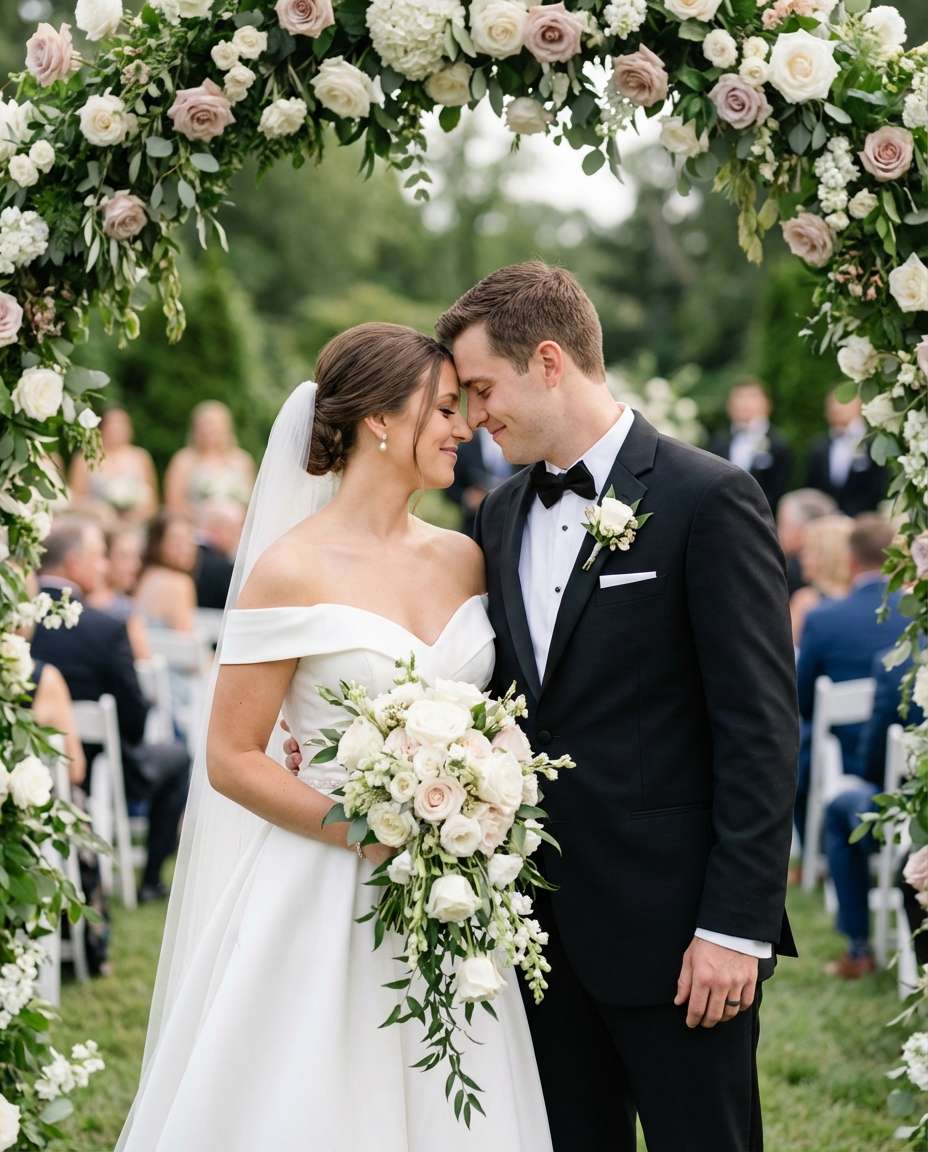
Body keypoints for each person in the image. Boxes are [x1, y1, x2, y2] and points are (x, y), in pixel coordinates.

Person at [115, 325, 553, 1152]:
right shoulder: (289, 568)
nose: (464, 428)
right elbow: (232, 756)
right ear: (380, 420)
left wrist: (478, 796)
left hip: (453, 887)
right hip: (323, 883)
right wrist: (369, 832)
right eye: (446, 409)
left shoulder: (468, 557)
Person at [429, 262, 797, 1152]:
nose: (475, 417)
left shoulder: (707, 498)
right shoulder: (499, 515)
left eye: (482, 389)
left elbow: (760, 729)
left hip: (680, 940)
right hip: (537, 942)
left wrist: (734, 928)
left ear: (548, 361)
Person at [30, 517, 190, 905]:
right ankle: (151, 878)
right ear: (74, 564)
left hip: (31, 766)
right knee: (179, 758)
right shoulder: (105, 628)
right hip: (102, 765)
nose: (104, 568)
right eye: (100, 557)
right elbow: (133, 715)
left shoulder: (18, 622)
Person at [794, 515, 909, 857]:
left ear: (851, 560)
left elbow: (802, 698)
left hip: (845, 755)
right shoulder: (916, 616)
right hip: (908, 751)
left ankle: (814, 853)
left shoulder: (824, 618)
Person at [823, 647, 924, 978]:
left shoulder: (903, 665)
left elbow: (876, 759)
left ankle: (859, 949)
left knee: (839, 810)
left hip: (912, 816)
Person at [708, 378, 791, 513]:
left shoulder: (778, 444)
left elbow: (780, 489)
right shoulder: (718, 442)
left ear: (767, 404)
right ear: (729, 406)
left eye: (752, 397)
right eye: (739, 397)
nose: (744, 403)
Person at [163, 400, 255, 518]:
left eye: (215, 423)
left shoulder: (243, 460)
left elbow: (252, 503)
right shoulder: (183, 460)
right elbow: (173, 505)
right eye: (206, 423)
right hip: (195, 529)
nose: (210, 428)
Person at [68, 406, 158, 523]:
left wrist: (136, 515)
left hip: (134, 524)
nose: (117, 429)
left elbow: (152, 503)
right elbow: (75, 501)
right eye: (112, 424)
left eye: (122, 424)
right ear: (101, 428)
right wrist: (97, 510)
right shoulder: (84, 458)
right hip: (96, 523)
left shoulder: (141, 457)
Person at [806, 391, 888, 516]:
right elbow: (812, 487)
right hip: (825, 522)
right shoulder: (818, 448)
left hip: (863, 521)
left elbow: (878, 486)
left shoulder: (873, 444)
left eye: (842, 403)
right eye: (832, 405)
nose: (836, 409)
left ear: (858, 406)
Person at [789, 513, 854, 648]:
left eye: (808, 549)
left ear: (826, 555)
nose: (802, 557)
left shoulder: (806, 601)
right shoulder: (862, 595)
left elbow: (791, 653)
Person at [86, 525, 151, 660]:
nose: (135, 565)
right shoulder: (124, 609)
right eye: (124, 556)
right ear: (103, 558)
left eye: (136, 557)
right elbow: (145, 662)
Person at [135, 511, 199, 634]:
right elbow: (186, 640)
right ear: (158, 544)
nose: (186, 548)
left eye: (190, 539)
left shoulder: (148, 574)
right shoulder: (179, 583)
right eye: (177, 540)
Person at [447, 426, 516, 537]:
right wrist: (467, 497)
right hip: (475, 527)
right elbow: (451, 487)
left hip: (512, 525)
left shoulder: (521, 441)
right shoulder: (464, 445)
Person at [777, 487, 839, 598]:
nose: (778, 531)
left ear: (803, 528)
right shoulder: (840, 567)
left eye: (783, 524)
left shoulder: (788, 572)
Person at [194, 499, 244, 610]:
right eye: (235, 530)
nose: (240, 537)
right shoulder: (224, 568)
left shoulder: (179, 556)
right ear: (217, 529)